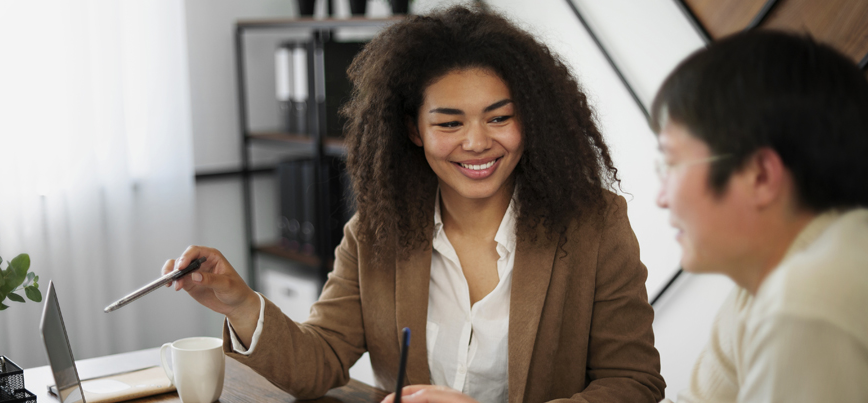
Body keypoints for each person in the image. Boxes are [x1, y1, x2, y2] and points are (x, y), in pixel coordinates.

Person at [164, 5, 664, 403]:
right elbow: (319, 363)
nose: (476, 143)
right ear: (413, 129)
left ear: (530, 119)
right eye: (449, 123)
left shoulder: (595, 225)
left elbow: (633, 382)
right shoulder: (376, 233)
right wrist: (240, 303)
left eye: (499, 118)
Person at [649, 31, 868, 402]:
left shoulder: (805, 300)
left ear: (760, 175)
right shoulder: (754, 295)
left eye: (671, 164)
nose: (661, 198)